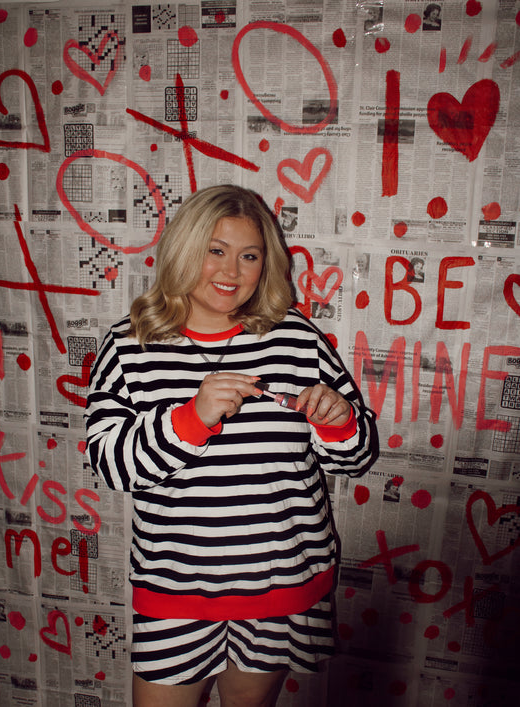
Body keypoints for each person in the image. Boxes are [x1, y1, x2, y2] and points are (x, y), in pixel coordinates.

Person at [85, 184, 378, 707]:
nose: (231, 271)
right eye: (215, 250)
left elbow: (356, 458)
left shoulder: (298, 338)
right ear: (184, 249)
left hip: (283, 585)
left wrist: (338, 423)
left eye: (250, 256)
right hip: (177, 591)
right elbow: (109, 465)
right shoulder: (130, 345)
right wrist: (190, 418)